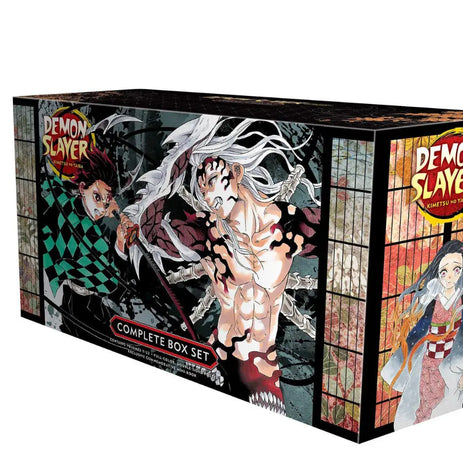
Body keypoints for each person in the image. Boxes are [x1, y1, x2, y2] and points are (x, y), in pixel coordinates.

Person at [125, 116, 320, 414]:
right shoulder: (208, 234)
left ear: (237, 172)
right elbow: (150, 228)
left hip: (262, 373)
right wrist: (185, 153)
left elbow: (344, 234)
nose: (207, 194)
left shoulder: (285, 224)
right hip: (215, 360)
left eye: (212, 180)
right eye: (202, 188)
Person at [381, 239, 463, 430]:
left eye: (456, 269)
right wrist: (405, 351)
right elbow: (421, 328)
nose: (450, 277)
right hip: (429, 361)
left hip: (452, 362)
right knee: (425, 402)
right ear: (438, 273)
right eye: (444, 272)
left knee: (448, 405)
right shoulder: (433, 297)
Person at [42, 148, 135, 333]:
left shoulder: (64, 199)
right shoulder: (88, 234)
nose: (100, 208)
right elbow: (112, 285)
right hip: (80, 308)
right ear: (82, 188)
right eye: (97, 197)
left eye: (106, 202)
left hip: (78, 301)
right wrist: (120, 245)